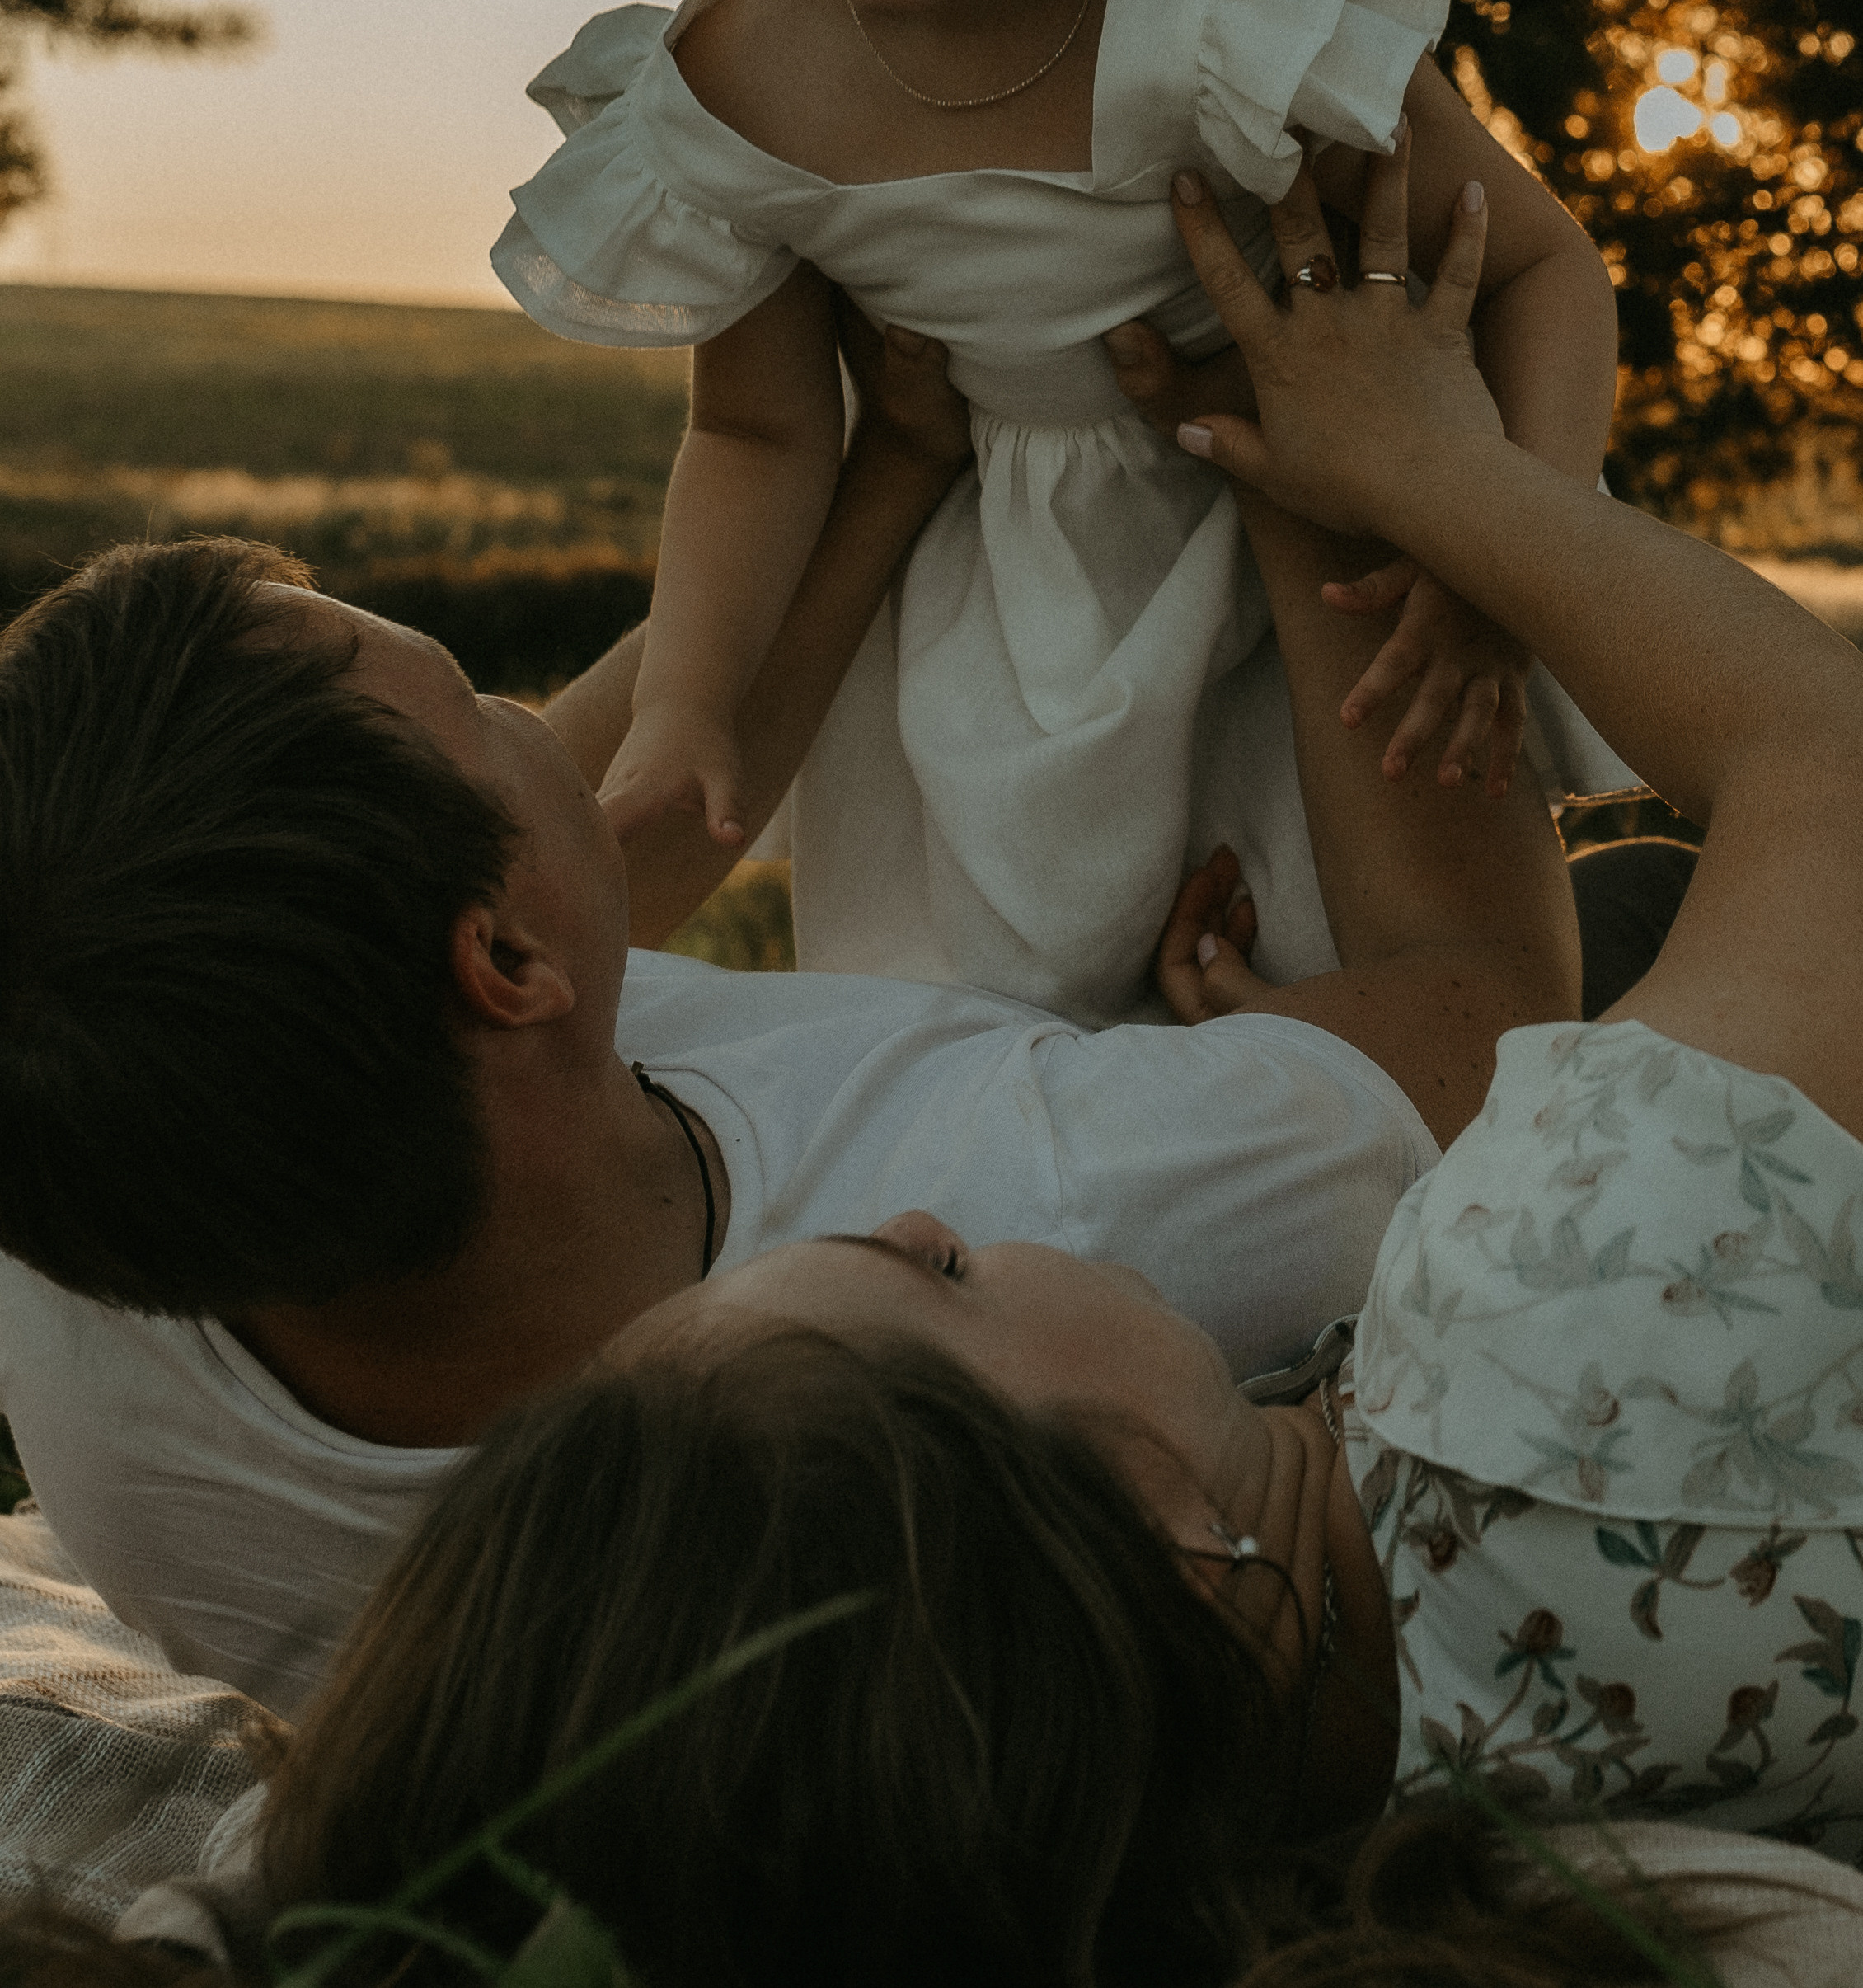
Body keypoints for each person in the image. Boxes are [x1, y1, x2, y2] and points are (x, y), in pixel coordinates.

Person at [246, 139, 1863, 1987]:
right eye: (927, 1271)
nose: (936, 1213)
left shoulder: (1311, 1821)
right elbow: (1822, 763)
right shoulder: (1537, 1316)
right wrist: (1424, 467)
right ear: (1160, 1532)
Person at [0, 289, 1576, 1722]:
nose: (533, 719)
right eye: (481, 705)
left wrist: (886, 467)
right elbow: (1483, 1012)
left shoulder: (93, 1187)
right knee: (1649, 899)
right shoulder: (1036, 1228)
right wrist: (1316, 447)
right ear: (505, 971)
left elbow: (571, 862)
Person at [491, 0, 1631, 1026]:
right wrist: (685, 702)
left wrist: (1499, 554)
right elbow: (752, 436)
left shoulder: (1224, 8)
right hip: (986, 636)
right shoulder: (738, 79)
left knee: (1414, 1026)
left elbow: (1535, 269)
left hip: (1326, 561)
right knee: (993, 1031)